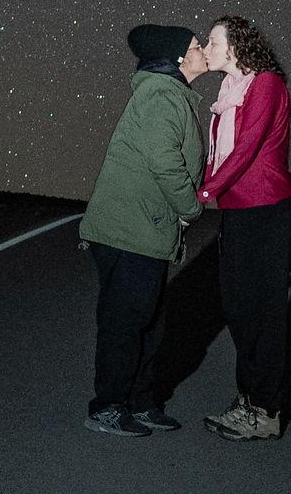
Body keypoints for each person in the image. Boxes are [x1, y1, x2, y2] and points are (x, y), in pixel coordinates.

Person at [76, 23, 210, 437]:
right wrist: (190, 207)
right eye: (195, 46)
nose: (203, 49)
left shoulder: (172, 96)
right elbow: (164, 161)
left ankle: (142, 402)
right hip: (128, 230)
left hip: (145, 229)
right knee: (125, 321)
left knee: (149, 321)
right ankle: (108, 407)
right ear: (176, 59)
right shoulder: (161, 95)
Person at [196, 15, 291, 441]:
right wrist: (202, 185)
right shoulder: (228, 91)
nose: (206, 45)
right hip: (237, 208)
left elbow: (247, 147)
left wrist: (204, 195)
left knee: (263, 308)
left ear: (234, 45)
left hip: (266, 206)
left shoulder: (267, 84)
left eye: (213, 39)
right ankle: (249, 398)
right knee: (236, 305)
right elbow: (218, 156)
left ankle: (264, 409)